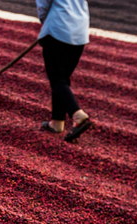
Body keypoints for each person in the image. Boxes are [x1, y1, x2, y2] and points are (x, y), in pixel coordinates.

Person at [35, 0, 94, 142]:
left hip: (58, 29)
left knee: (57, 79)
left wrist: (45, 21)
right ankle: (57, 122)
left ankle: (77, 114)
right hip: (80, 31)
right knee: (63, 78)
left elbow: (43, 5)